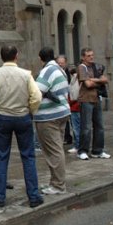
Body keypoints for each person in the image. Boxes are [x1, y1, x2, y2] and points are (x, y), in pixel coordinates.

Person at [0, 45, 43, 208]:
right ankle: (34, 196)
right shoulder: (25, 74)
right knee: (28, 156)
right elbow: (36, 96)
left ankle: (0, 196)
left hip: (2, 117)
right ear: (16, 55)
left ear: (2, 57)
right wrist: (30, 109)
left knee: (1, 157)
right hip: (22, 116)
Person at [34, 47, 70, 195]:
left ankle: (58, 185)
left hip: (49, 116)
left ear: (40, 58)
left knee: (54, 151)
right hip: (61, 112)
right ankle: (56, 182)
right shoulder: (59, 69)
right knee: (57, 149)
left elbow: (36, 92)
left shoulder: (47, 71)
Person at [77, 48, 111, 160]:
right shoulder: (82, 67)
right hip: (86, 99)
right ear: (83, 57)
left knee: (99, 126)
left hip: (97, 98)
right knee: (86, 127)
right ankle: (82, 150)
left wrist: (94, 80)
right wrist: (98, 81)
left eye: (92, 55)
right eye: (88, 55)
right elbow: (88, 84)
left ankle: (97, 151)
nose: (91, 57)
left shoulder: (97, 66)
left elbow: (105, 79)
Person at [56, 55, 74, 144]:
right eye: (58, 63)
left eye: (62, 63)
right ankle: (66, 137)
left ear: (65, 63)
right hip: (62, 101)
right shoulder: (56, 73)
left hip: (70, 100)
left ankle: (68, 137)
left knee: (70, 120)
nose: (60, 65)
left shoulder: (68, 73)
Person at [67, 65, 82, 154]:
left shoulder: (75, 80)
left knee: (76, 128)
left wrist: (69, 103)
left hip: (75, 107)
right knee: (77, 127)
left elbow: (74, 96)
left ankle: (78, 146)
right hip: (74, 107)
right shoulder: (74, 79)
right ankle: (79, 145)